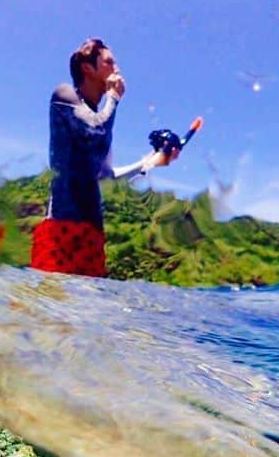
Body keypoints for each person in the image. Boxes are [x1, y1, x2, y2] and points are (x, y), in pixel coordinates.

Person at [30, 37, 178, 277]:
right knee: (51, 311)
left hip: (92, 236)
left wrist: (152, 160)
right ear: (87, 68)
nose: (117, 69)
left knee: (87, 312)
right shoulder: (64, 95)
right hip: (62, 230)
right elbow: (93, 131)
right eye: (110, 62)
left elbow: (106, 177)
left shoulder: (102, 119)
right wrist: (114, 98)